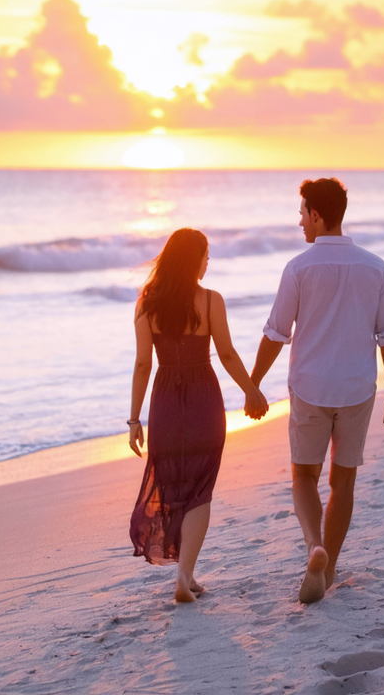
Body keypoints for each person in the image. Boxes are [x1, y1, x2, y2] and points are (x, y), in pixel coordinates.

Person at [250, 177, 384, 604]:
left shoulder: (299, 268)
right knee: (344, 481)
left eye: (302, 213)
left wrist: (254, 383)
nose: (300, 222)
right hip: (356, 389)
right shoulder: (375, 267)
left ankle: (312, 545)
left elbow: (276, 334)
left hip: (310, 388)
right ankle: (330, 565)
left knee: (303, 475)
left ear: (317, 215)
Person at [128, 228, 269, 603]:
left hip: (165, 404)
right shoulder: (210, 301)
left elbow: (143, 363)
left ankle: (185, 576)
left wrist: (134, 420)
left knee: (176, 486)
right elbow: (225, 353)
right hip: (205, 400)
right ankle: (185, 576)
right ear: (196, 260)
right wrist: (251, 389)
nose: (209, 263)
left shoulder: (146, 303)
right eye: (206, 256)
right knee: (201, 489)